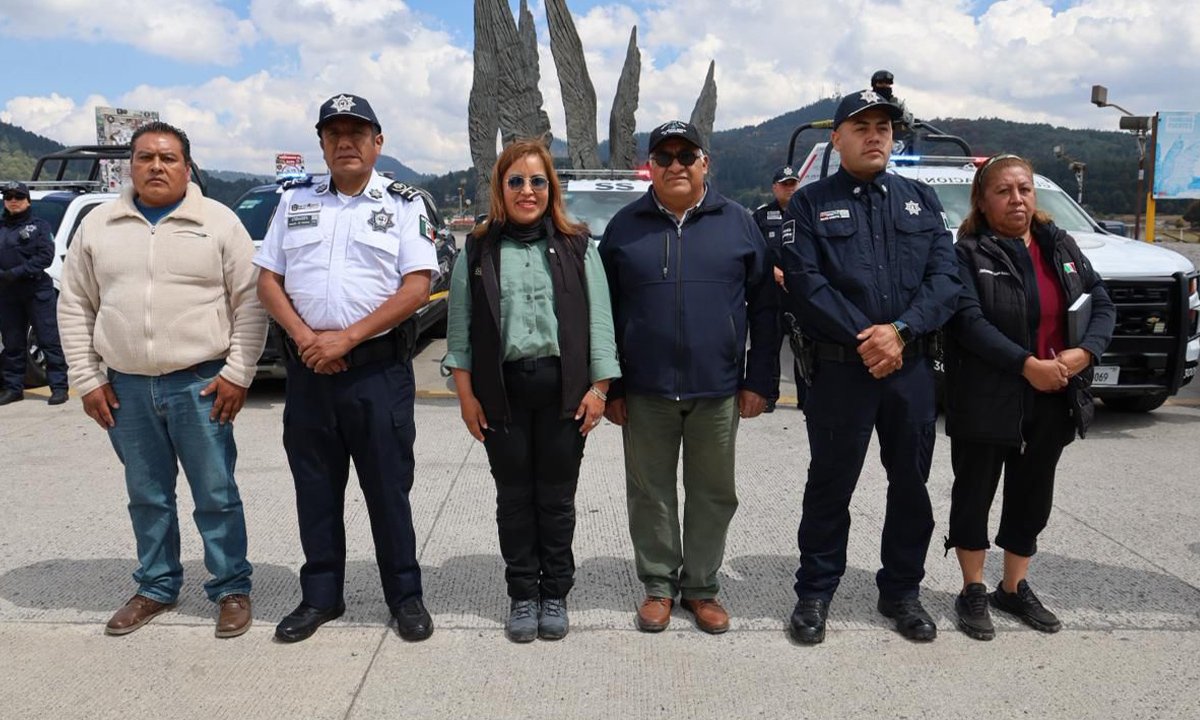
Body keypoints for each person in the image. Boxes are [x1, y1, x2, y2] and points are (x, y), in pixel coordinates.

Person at [57, 122, 267, 638]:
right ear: (130, 165)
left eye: (168, 158)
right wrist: (87, 378)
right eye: (145, 157)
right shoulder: (100, 225)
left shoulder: (218, 223)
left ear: (187, 167)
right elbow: (75, 305)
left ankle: (230, 588)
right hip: (125, 386)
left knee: (215, 493)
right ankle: (155, 586)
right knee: (147, 493)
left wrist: (238, 373)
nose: (156, 166)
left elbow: (251, 303)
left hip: (201, 383)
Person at [255, 93, 439, 643]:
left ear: (377, 143)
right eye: (333, 133)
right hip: (310, 374)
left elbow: (418, 286)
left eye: (357, 133)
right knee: (315, 489)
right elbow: (268, 278)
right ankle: (320, 598)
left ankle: (405, 597)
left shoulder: (405, 203)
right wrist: (306, 337)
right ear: (321, 144)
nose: (344, 142)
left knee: (388, 491)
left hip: (376, 374)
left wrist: (348, 338)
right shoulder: (295, 201)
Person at [780, 90, 960, 644]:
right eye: (861, 127)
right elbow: (806, 285)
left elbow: (946, 280)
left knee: (911, 485)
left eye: (883, 126)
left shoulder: (921, 200)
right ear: (836, 139)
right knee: (831, 485)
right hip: (840, 371)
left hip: (909, 371)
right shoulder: (809, 204)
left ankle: (902, 591)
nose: (875, 135)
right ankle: (815, 592)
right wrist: (870, 338)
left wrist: (900, 332)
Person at [600, 120, 779, 635]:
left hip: (718, 388)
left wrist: (759, 382)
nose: (675, 164)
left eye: (686, 155)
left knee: (713, 492)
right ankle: (658, 586)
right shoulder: (624, 227)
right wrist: (610, 386)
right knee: (650, 492)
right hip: (646, 388)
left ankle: (701, 588)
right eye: (664, 156)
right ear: (649, 166)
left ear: (705, 163)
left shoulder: (739, 223)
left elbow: (765, 309)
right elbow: (603, 313)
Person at [443, 139, 620, 643]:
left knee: (557, 500)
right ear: (501, 188)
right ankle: (523, 593)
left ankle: (555, 594)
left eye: (537, 181)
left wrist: (600, 390)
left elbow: (601, 326)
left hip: (565, 392)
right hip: (502, 393)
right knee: (515, 499)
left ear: (551, 188)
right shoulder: (478, 249)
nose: (527, 190)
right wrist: (466, 396)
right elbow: (460, 331)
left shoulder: (579, 245)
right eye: (516, 180)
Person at [943, 153, 1114, 640]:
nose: (1016, 199)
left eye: (1024, 189)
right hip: (988, 395)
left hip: (1054, 394)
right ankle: (973, 589)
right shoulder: (968, 253)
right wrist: (1026, 365)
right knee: (974, 492)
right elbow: (967, 322)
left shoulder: (1058, 243)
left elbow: (1099, 300)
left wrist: (1085, 353)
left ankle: (1013, 588)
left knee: (1033, 494)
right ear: (982, 199)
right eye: (1004, 190)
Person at [0, 181, 69, 406]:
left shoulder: (40, 227)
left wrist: (16, 272)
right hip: (8, 294)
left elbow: (44, 257)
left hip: (36, 290)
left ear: (27, 200)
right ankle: (13, 388)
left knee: (48, 340)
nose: (13, 201)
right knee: (12, 343)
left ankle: (59, 387)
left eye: (18, 197)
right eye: (8, 197)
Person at [752, 166, 804, 412]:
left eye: (793, 183)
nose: (790, 188)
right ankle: (769, 396)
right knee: (769, 344)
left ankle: (806, 398)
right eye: (785, 184)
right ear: (775, 188)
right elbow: (752, 249)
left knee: (802, 345)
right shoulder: (762, 216)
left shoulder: (806, 213)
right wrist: (771, 270)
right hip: (771, 292)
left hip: (799, 293)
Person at [870, 70, 915, 153]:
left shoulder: (898, 103)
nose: (884, 86)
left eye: (887, 83)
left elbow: (909, 122)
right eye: (881, 83)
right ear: (874, 85)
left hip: (894, 142)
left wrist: (901, 115)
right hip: (871, 140)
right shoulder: (867, 102)